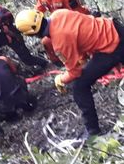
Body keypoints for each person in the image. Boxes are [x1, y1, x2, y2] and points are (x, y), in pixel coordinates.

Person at [15, 9, 124, 138]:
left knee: (79, 87)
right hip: (114, 28)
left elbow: (75, 72)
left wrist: (61, 79)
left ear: (31, 34)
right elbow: (82, 31)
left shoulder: (59, 42)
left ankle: (93, 131)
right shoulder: (59, 14)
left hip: (111, 47)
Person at [31, 0, 91, 64]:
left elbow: (78, 14)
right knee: (46, 41)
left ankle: (82, 57)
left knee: (79, 52)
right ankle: (60, 62)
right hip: (58, 26)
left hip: (75, 22)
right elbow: (37, 12)